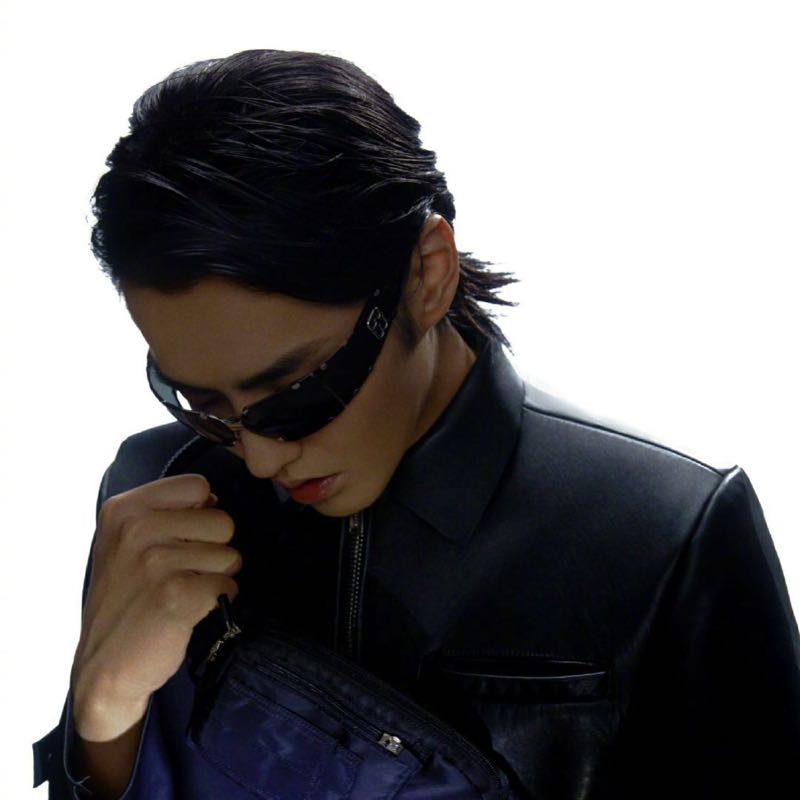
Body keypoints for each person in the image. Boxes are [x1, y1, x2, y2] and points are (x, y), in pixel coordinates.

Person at [32, 49, 800, 799]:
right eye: (200, 403)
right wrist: (103, 706)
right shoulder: (158, 496)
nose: (261, 457)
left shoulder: (666, 531)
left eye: (296, 393)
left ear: (427, 274)